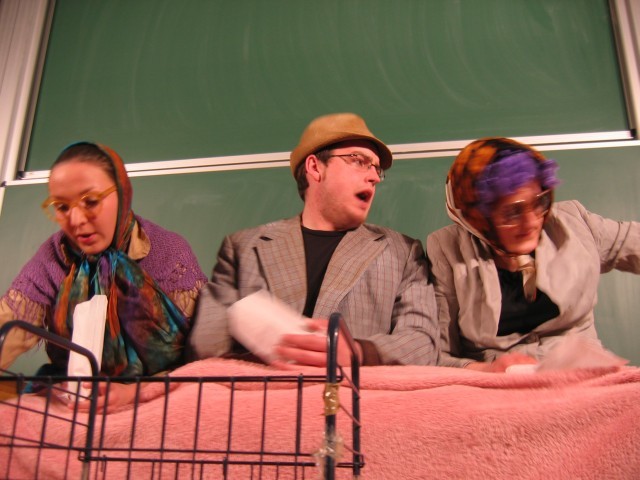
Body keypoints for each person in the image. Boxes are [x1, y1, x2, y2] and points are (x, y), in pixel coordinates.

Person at [187, 113, 439, 367]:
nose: (374, 177)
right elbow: (206, 343)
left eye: (377, 168)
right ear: (315, 167)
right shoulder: (243, 247)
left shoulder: (403, 252)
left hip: (354, 391)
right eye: (359, 161)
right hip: (265, 389)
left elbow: (423, 343)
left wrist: (358, 352)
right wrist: (269, 348)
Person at [0, 142, 207, 407]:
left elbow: (200, 359)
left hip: (160, 395)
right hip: (76, 396)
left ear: (122, 193)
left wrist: (133, 393)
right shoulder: (53, 256)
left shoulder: (169, 253)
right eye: (62, 207)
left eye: (91, 201)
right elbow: (9, 326)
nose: (76, 220)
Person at [426, 137, 640, 372]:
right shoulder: (447, 248)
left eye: (539, 202)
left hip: (583, 375)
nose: (531, 222)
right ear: (477, 219)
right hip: (498, 384)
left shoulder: (574, 222)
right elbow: (438, 354)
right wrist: (486, 370)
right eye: (512, 212)